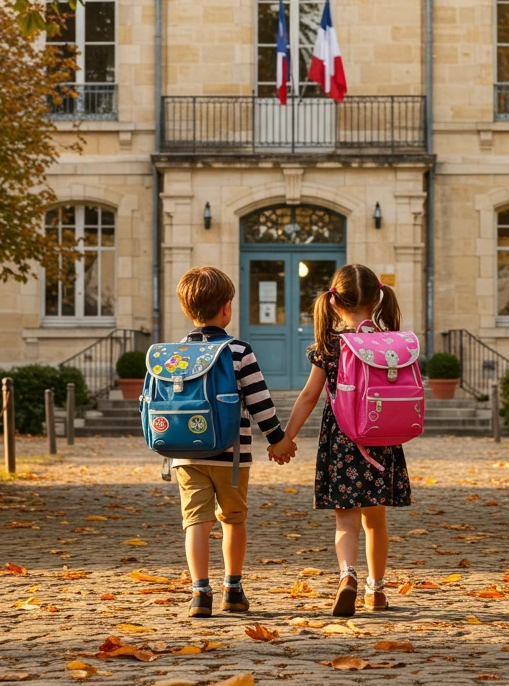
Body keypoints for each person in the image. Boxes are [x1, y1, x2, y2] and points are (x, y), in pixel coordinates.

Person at [276, 263, 412, 616]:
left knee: (345, 519)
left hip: (342, 439)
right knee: (375, 520)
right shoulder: (391, 344)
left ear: (335, 303)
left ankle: (347, 574)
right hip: (381, 439)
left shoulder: (331, 346)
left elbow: (308, 396)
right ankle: (376, 589)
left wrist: (285, 438)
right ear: (378, 298)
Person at [171, 266, 297, 618]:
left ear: (186, 308)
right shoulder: (238, 350)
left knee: (195, 521)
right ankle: (233, 588)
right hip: (233, 455)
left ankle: (199, 593)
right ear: (227, 308)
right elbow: (259, 401)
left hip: (185, 453)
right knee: (233, 519)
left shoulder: (175, 353)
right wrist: (278, 440)